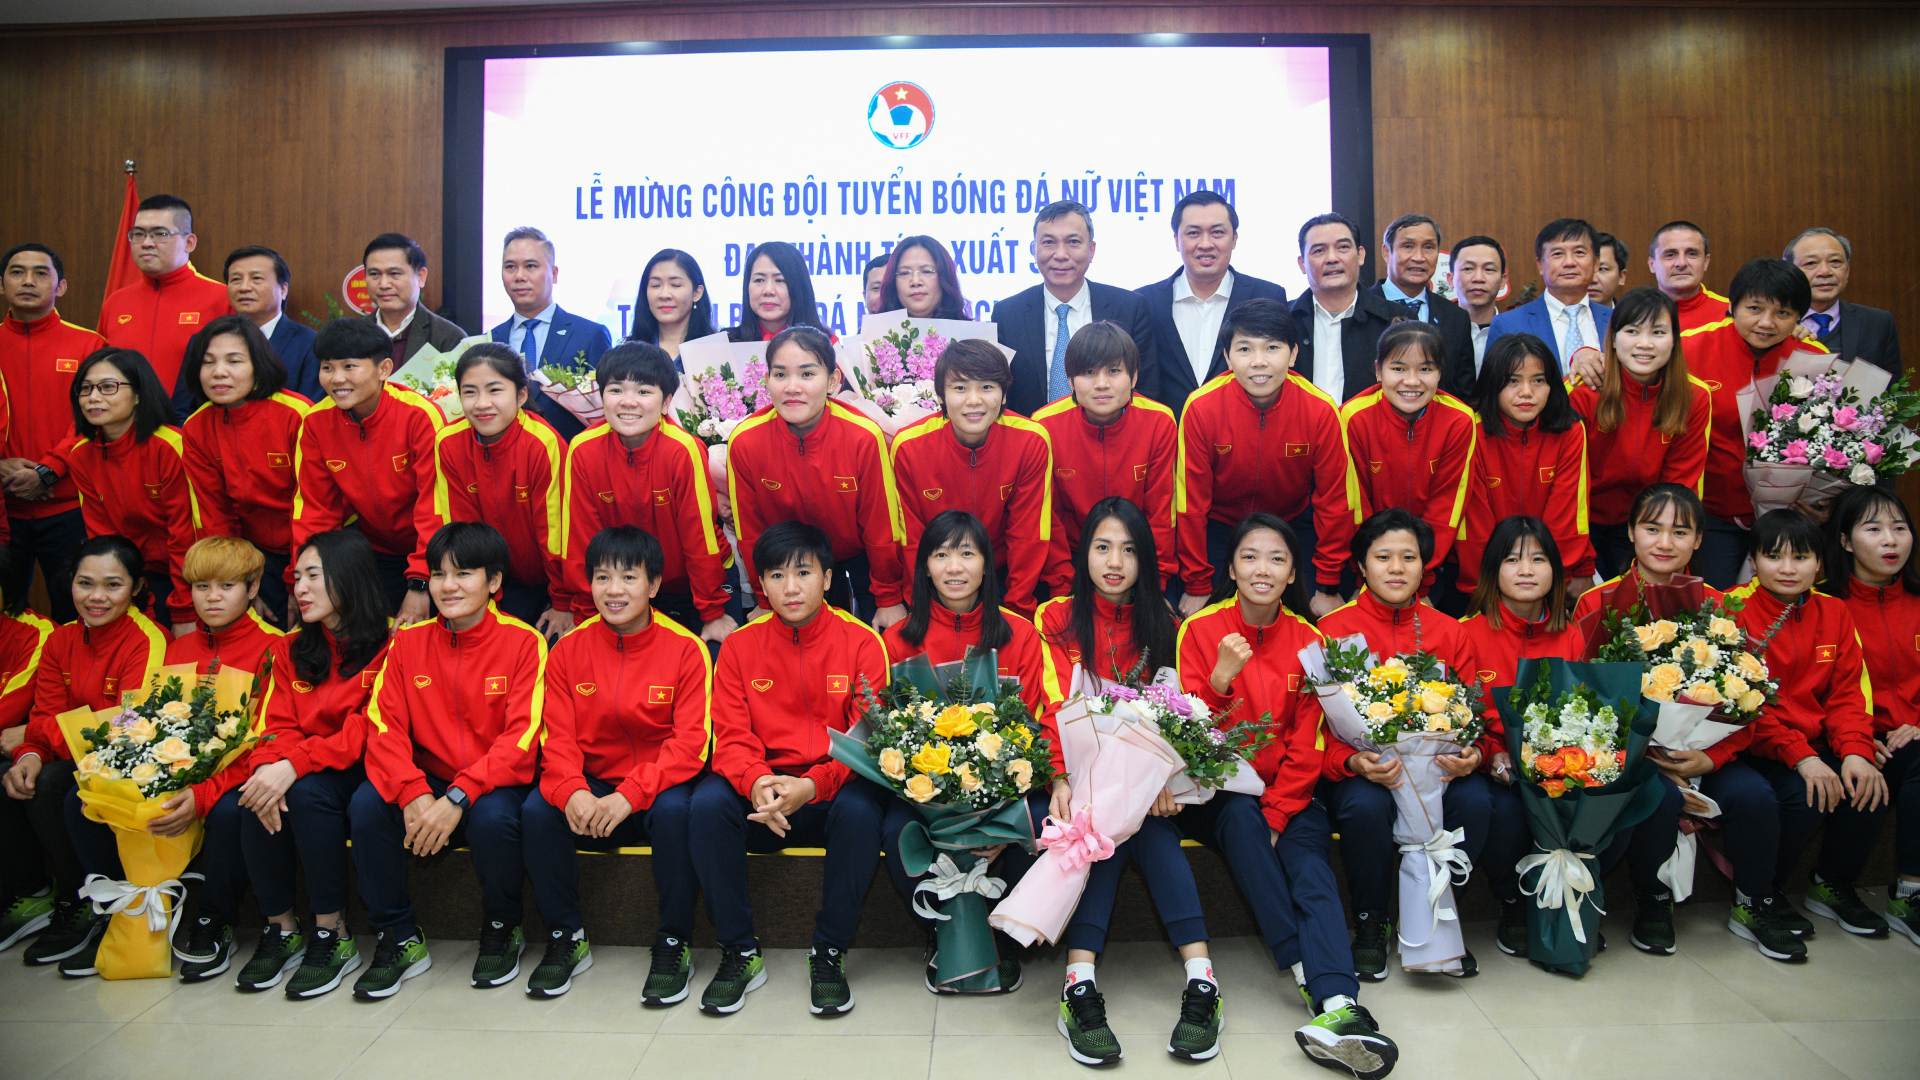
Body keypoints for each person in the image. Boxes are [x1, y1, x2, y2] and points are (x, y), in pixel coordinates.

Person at [1175, 514, 1401, 1076]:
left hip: (1288, 792)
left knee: (1311, 865)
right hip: (1216, 791)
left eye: (1277, 559)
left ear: (1293, 572)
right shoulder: (1199, 630)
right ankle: (1305, 969)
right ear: (1230, 569)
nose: (1263, 569)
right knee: (1242, 820)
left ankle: (1340, 1003)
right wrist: (1221, 680)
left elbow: (1309, 739)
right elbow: (1190, 733)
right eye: (1249, 557)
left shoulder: (1309, 639)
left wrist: (1279, 811)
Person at [1032, 497, 1221, 1067]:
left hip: (1143, 784)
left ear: (1146, 559)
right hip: (1075, 777)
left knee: (1135, 827)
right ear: (1083, 552)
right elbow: (1051, 706)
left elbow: (1175, 712)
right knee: (1100, 828)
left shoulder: (1163, 622)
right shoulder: (1055, 618)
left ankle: (1198, 981)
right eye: (1103, 547)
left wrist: (1157, 777)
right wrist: (1061, 777)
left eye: (1129, 550)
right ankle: (1083, 984)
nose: (1115, 562)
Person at [688, 521, 892, 1017]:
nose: (791, 587)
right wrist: (757, 780)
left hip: (830, 786)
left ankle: (829, 951)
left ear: (828, 577)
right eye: (777, 576)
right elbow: (730, 736)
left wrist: (811, 785)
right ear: (761, 584)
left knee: (864, 811)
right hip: (764, 792)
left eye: (804, 572)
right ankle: (739, 950)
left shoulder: (862, 642)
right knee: (706, 804)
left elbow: (867, 739)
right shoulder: (740, 646)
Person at [1460, 517, 1684, 956]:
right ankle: (1513, 903)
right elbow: (1464, 719)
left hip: (1571, 766)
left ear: (1556, 570)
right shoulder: (1466, 633)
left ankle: (1598, 900)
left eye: (1538, 559)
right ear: (1492, 570)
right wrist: (1493, 755)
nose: (1526, 570)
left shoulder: (1577, 635)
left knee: (1641, 795)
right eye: (1512, 560)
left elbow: (1602, 711)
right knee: (1502, 811)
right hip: (1501, 768)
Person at [1672, 510, 1884, 963]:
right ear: (1754, 560)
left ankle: (1767, 892)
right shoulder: (1730, 610)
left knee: (1848, 784)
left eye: (1801, 557)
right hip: (1737, 745)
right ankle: (1753, 902)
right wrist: (1802, 756)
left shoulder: (1835, 612)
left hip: (1801, 746)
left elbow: (1848, 694)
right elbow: (1744, 707)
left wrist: (1855, 751)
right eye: (1774, 556)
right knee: (1766, 797)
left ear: (1820, 564)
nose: (1787, 568)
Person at [350, 522, 546, 998]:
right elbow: (382, 727)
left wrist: (460, 795)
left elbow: (522, 738)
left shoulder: (524, 642)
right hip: (428, 778)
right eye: (438, 574)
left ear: (494, 582)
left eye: (463, 573)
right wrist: (413, 791)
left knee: (494, 820)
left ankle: (502, 927)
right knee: (367, 805)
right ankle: (398, 936)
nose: (448, 586)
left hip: (493, 780)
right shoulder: (407, 643)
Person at [522, 525, 710, 1001]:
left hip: (658, 782)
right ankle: (565, 937)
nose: (614, 590)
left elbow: (691, 744)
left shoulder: (686, 648)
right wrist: (572, 790)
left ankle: (674, 941)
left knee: (677, 812)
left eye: (628, 577)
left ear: (654, 585)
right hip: (592, 781)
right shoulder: (568, 650)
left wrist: (631, 794)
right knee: (537, 811)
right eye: (602, 578)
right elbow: (556, 737)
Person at [1317, 509, 1491, 981]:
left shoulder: (1449, 631)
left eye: (1408, 558)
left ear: (1424, 566)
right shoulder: (1332, 631)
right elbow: (1315, 726)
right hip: (1367, 769)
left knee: (1477, 802)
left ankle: (1440, 918)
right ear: (1361, 565)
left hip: (1439, 771)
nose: (1396, 568)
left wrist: (1474, 754)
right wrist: (1351, 760)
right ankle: (1370, 923)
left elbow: (1476, 714)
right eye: (1383, 557)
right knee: (1364, 806)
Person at [876, 511, 1046, 993]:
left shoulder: (1020, 634)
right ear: (925, 567)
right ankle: (941, 929)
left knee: (1037, 824)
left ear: (987, 564)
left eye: (967, 553)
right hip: (924, 795)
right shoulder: (898, 640)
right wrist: (940, 815)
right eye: (941, 554)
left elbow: (1038, 724)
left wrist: (1001, 822)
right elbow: (887, 732)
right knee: (894, 828)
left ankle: (1004, 936)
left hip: (1005, 789)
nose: (954, 567)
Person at [231, 529, 389, 998]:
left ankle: (331, 931)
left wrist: (294, 764)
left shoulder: (392, 642)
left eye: (313, 576)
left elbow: (367, 729)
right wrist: (268, 766)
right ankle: (281, 928)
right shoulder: (288, 648)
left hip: (366, 766)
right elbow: (274, 723)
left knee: (304, 793)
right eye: (296, 578)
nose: (299, 589)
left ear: (349, 576)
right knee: (257, 794)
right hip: (305, 764)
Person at [1, 535, 165, 972]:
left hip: (129, 763)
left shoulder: (147, 640)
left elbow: (124, 728)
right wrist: (28, 754)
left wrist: (33, 735)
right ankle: (74, 899)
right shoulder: (61, 641)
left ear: (136, 588)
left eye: (113, 585)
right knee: (28, 779)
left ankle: (107, 906)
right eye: (85, 583)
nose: (96, 597)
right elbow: (47, 713)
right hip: (75, 754)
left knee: (69, 788)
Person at [1177, 299, 1359, 619]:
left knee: (1313, 620)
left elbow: (1336, 502)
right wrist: (1196, 582)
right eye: (1245, 349)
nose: (1259, 362)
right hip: (1222, 527)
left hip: (1291, 524)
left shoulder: (1320, 409)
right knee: (1208, 621)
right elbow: (1190, 503)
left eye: (1272, 348)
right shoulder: (1201, 407)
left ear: (1293, 354)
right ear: (1227, 357)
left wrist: (1327, 583)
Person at [157, 536, 285, 983]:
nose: (212, 597)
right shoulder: (178, 650)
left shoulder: (274, 647)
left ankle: (214, 918)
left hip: (243, 775)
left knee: (232, 810)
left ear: (253, 589)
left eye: (226, 586)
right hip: (186, 772)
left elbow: (265, 740)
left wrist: (204, 793)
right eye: (202, 586)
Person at [726, 326, 905, 627]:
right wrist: (763, 599)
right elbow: (750, 533)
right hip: (786, 565)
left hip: (856, 560)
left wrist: (888, 598)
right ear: (766, 380)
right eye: (780, 375)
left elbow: (881, 527)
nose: (792, 387)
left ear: (833, 380)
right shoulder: (746, 441)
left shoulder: (863, 437)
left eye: (807, 374)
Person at [560, 343, 733, 643]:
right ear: (601, 396)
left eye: (643, 391)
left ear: (666, 402)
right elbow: (579, 540)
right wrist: (586, 615)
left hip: (688, 586)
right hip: (620, 587)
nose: (628, 402)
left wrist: (711, 611)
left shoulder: (682, 450)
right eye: (616, 390)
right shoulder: (583, 450)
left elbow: (699, 538)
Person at [1680, 258, 1823, 588]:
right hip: (1712, 513)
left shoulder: (1814, 359)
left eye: (1783, 313)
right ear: (1732, 305)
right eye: (1755, 309)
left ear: (1799, 317)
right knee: (1715, 606)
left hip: (1787, 519)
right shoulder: (1690, 347)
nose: (1767, 323)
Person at [292, 317, 445, 621]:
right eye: (327, 368)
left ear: (384, 369)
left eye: (349, 367)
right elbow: (315, 510)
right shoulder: (315, 422)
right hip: (369, 548)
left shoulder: (419, 416)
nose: (337, 379)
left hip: (429, 552)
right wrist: (303, 581)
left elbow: (435, 506)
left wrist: (421, 581)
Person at [1821, 486, 1920, 943]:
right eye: (1874, 529)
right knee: (1868, 770)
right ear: (1845, 541)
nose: (1891, 540)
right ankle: (1831, 883)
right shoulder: (1827, 606)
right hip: (1850, 734)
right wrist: (1860, 740)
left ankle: (1909, 890)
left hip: (1912, 734)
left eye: (1899, 528)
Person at [889, 338, 1051, 615]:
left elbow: (1028, 534)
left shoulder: (1030, 441)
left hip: (1001, 574)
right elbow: (912, 539)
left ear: (1004, 394)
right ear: (940, 395)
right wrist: (922, 608)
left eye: (987, 387)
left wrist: (1018, 608)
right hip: (936, 577)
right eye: (960, 388)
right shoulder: (909, 447)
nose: (974, 401)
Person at [1568, 288, 1713, 579]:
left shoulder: (1694, 397)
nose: (1645, 344)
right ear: (1613, 338)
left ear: (1674, 340)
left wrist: (1660, 545)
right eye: (1632, 331)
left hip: (1652, 527)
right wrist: (1578, 561)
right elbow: (1567, 488)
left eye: (1658, 332)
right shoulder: (1582, 393)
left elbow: (1681, 485)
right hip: (1583, 525)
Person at [54, 347, 198, 633]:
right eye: (86, 389)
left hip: (186, 576)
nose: (94, 397)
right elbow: (102, 538)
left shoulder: (170, 446)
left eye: (108, 387)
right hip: (129, 578)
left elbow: (185, 535)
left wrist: (184, 611)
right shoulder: (80, 455)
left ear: (138, 394)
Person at [1033, 321, 1179, 598]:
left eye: (1114, 371)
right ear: (1070, 381)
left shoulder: (1159, 422)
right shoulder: (1044, 426)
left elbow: (1161, 514)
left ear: (1134, 378)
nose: (1101, 384)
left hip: (1137, 557)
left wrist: (1156, 585)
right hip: (1072, 560)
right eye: (1089, 373)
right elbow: (1050, 518)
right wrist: (1063, 588)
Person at [179, 314, 308, 625]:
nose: (219, 372)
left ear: (258, 365)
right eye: (208, 362)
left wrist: (298, 578)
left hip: (310, 547)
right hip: (253, 554)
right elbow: (214, 515)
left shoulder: (296, 415)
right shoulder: (196, 427)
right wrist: (241, 582)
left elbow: (311, 506)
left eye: (234, 361)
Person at [0, 243, 104, 623]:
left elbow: (95, 420)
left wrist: (47, 471)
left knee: (75, 615)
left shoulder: (89, 345)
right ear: (1, 285)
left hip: (69, 507)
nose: (28, 281)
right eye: (17, 272)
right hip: (4, 508)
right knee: (7, 618)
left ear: (61, 286)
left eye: (41, 273)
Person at [1340, 322, 1479, 606]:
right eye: (1399, 368)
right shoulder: (1353, 417)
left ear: (1440, 372)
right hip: (1363, 568)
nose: (1412, 381)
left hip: (1428, 569)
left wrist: (1420, 581)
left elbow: (1447, 508)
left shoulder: (1459, 421)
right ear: (1378, 371)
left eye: (1425, 369)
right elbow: (1356, 506)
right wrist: (1366, 575)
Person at [431, 343, 567, 633]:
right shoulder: (449, 442)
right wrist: (481, 597)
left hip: (546, 583)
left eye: (494, 390)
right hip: (487, 583)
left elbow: (555, 535)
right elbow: (460, 529)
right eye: (470, 392)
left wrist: (562, 602)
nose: (482, 403)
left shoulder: (542, 444)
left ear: (521, 395)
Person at [1458, 333, 1594, 595]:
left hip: (1551, 575)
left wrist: (1552, 579)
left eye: (1538, 380)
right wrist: (1486, 588)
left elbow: (1568, 515)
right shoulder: (1472, 432)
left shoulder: (1570, 431)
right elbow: (1475, 526)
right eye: (1513, 381)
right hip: (1485, 579)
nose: (1527, 393)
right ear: (1492, 384)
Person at [993, 200, 1157, 417]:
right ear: (1034, 249)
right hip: (1031, 434)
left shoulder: (1130, 308)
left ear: (1091, 250)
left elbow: (1146, 392)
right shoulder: (1007, 314)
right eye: (1049, 242)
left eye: (1073, 242)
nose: (1061, 254)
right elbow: (1001, 394)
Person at [1133, 190, 1288, 414]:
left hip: (1244, 429)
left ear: (1234, 239)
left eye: (1217, 232)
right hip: (1169, 432)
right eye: (1193, 233)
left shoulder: (1268, 295)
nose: (1205, 244)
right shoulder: (1144, 302)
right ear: (1176, 240)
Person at [487, 226, 613, 442]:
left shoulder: (590, 335)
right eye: (510, 267)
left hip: (569, 454)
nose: (519, 276)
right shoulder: (489, 340)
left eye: (530, 266)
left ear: (553, 274)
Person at [98, 194, 231, 396]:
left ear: (189, 243)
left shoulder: (222, 298)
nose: (146, 243)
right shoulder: (116, 302)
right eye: (138, 234)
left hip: (193, 415)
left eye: (160, 234)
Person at [1289, 212, 1399, 404]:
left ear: (1360, 255)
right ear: (1302, 264)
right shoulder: (1284, 320)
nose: (1332, 258)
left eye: (1343, 247)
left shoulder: (1396, 320)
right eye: (1319, 251)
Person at [1573, 483, 1718, 626]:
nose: (1665, 544)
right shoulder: (1594, 603)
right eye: (1652, 530)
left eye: (1679, 533)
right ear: (1631, 531)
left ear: (1697, 540)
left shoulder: (1717, 604)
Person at [1368, 213, 1475, 398]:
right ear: (1386, 252)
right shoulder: (1360, 307)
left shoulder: (1456, 317)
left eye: (1428, 247)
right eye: (1408, 246)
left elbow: (1464, 392)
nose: (1419, 257)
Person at [0, 597, 54, 953]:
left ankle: (32, 893)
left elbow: (9, 712)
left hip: (26, 745)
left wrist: (30, 745)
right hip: (27, 743)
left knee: (28, 779)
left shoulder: (35, 632)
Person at [1487, 218, 1612, 370]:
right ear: (1540, 265)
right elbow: (1494, 382)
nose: (1569, 262)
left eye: (1579, 252)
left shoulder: (1617, 321)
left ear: (1596, 263)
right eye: (1558, 254)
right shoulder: (1507, 325)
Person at [1785, 227, 1902, 374]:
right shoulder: (1772, 324)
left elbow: (1894, 387)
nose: (1825, 272)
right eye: (1811, 263)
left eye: (1835, 261)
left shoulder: (1878, 323)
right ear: (1790, 272)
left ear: (1847, 270)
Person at [223, 244, 319, 402]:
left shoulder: (310, 343)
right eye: (236, 280)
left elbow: (312, 407)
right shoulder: (209, 341)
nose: (244, 287)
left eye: (256, 279)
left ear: (283, 290)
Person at [361, 233, 466, 365]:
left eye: (394, 273)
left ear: (421, 277)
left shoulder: (448, 338)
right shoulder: (352, 335)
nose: (384, 284)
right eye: (374, 274)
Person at [727, 240, 829, 342]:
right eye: (759, 280)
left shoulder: (826, 345)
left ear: (799, 287)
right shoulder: (727, 343)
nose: (768, 290)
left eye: (780, 280)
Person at [628, 248, 715, 361]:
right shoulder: (628, 353)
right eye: (655, 285)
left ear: (697, 293)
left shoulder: (717, 351)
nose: (664, 295)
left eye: (675, 285)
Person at [1647, 221, 1728, 333]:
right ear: (1652, 265)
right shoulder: (1631, 316)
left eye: (1692, 254)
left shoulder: (1731, 315)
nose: (1681, 263)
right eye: (1670, 255)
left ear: (1706, 262)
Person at [877, 235, 972, 321]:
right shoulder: (875, 332)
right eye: (904, 273)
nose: (915, 281)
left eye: (927, 271)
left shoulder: (970, 333)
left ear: (944, 278)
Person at [1448, 235, 1507, 374]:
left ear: (1503, 280)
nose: (1478, 278)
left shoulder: (1515, 331)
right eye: (1468, 268)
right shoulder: (1436, 331)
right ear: (1450, 279)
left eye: (1489, 269)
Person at [1588, 231, 1629, 307]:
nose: (1593, 280)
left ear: (1621, 277)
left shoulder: (1629, 314)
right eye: (1586, 269)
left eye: (1602, 269)